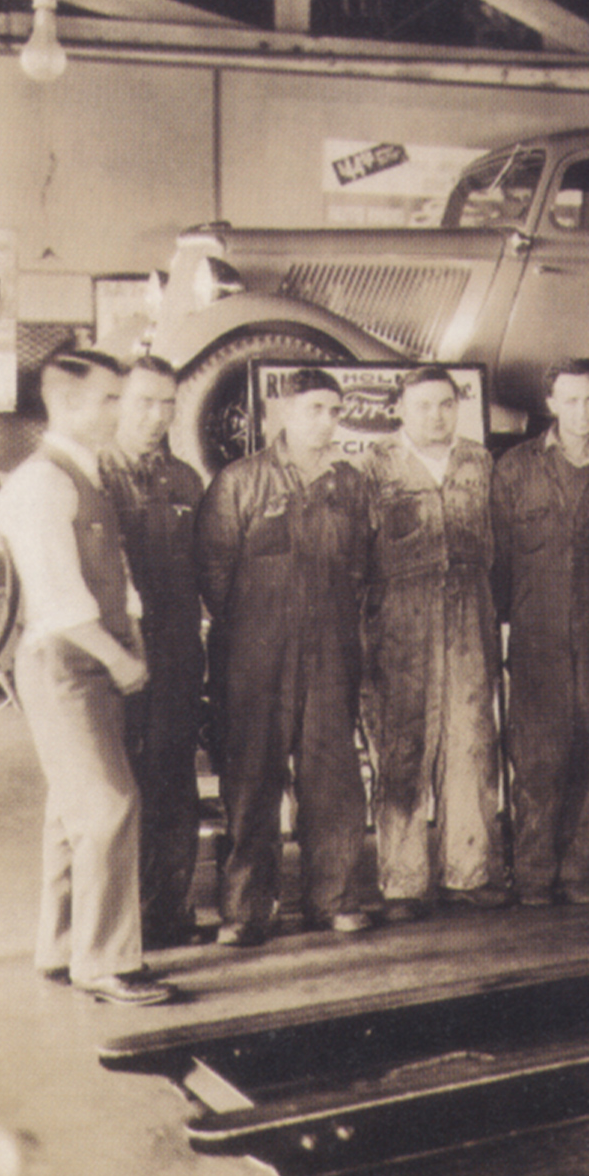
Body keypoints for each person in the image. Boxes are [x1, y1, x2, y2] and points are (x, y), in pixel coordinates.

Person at [0, 350, 171, 1005]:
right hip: (67, 662)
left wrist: (133, 633)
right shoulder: (42, 482)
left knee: (73, 814)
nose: (124, 410)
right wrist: (120, 656)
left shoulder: (84, 472)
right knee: (109, 806)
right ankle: (105, 963)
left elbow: (110, 576)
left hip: (91, 658)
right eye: (110, 399)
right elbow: (57, 596)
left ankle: (63, 947)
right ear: (67, 404)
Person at [197, 367, 374, 944]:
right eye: (314, 409)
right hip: (256, 657)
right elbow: (214, 577)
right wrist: (250, 640)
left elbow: (360, 569)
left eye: (333, 410)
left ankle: (335, 897)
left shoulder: (349, 484)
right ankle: (247, 910)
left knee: (334, 779)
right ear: (282, 414)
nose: (326, 421)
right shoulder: (239, 482)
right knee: (251, 783)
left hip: (329, 654)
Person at [361, 366, 505, 920]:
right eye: (422, 405)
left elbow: (497, 544)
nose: (436, 415)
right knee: (403, 750)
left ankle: (465, 875)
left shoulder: (478, 462)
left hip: (470, 614)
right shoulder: (374, 469)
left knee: (470, 744)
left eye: (446, 404)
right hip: (401, 621)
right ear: (400, 409)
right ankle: (401, 884)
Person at [492, 358, 589, 905]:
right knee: (539, 752)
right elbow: (495, 552)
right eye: (569, 400)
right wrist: (500, 624)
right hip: (534, 623)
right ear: (550, 404)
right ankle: (532, 872)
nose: (581, 411)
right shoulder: (516, 467)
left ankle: (578, 867)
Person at [99, 356, 206, 950]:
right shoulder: (94, 474)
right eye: (145, 402)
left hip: (177, 658)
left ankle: (170, 910)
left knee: (173, 780)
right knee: (119, 785)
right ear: (118, 401)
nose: (157, 416)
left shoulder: (186, 480)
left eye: (168, 404)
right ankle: (121, 922)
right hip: (114, 658)